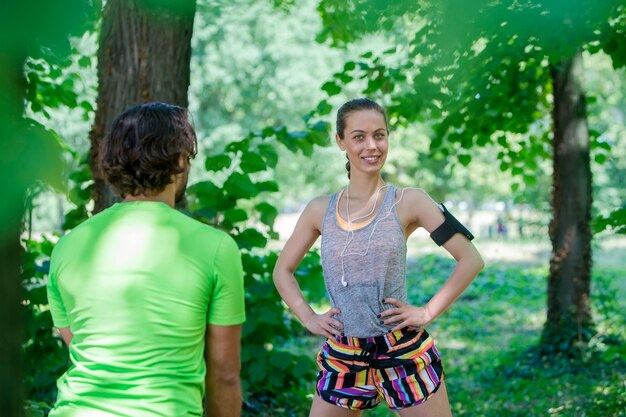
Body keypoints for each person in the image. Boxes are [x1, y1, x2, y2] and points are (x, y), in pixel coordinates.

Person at [273, 98, 484, 417]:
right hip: (344, 353)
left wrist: (427, 311)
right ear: (341, 141)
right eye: (359, 136)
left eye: (379, 135)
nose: (371, 146)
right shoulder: (320, 210)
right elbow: (282, 271)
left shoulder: (410, 201)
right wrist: (309, 317)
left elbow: (470, 259)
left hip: (402, 351)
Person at [46, 103, 246, 417]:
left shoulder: (67, 247)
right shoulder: (217, 248)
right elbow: (224, 374)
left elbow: (83, 348)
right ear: (180, 161)